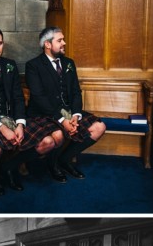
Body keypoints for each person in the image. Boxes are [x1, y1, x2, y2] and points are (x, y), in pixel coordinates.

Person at [0, 26, 62, 193]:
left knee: (49, 142)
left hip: (12, 119)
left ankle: (9, 167)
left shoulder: (10, 65)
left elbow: (18, 97)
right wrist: (1, 128)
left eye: (0, 43)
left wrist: (20, 124)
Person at [25, 26, 106, 182]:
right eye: (60, 40)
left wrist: (75, 114)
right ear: (47, 44)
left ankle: (65, 159)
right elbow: (39, 97)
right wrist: (63, 119)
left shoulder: (69, 63)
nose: (64, 43)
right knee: (60, 133)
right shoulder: (33, 66)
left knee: (99, 127)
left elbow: (76, 91)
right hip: (44, 113)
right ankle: (52, 164)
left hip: (68, 111)